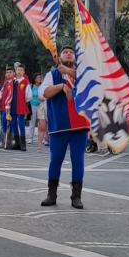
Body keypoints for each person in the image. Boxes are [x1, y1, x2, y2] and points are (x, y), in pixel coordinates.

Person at [39, 46, 90, 209]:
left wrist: (68, 70)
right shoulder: (52, 74)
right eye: (65, 52)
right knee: (55, 161)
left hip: (80, 125)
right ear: (60, 56)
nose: (68, 53)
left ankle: (76, 196)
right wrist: (61, 87)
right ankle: (51, 194)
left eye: (71, 52)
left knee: (78, 161)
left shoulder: (82, 73)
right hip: (59, 125)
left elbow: (90, 82)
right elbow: (44, 93)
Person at [8, 64, 31, 151]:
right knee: (13, 124)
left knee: (21, 124)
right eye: (18, 70)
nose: (19, 72)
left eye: (21, 70)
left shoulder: (25, 82)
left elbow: (29, 96)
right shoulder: (11, 81)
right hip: (12, 105)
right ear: (15, 71)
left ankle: (23, 144)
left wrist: (22, 101)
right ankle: (17, 143)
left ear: (24, 72)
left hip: (21, 106)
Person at [28, 74, 42, 144]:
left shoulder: (42, 86)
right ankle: (30, 138)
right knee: (32, 122)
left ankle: (42, 139)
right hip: (32, 106)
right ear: (35, 79)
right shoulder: (31, 86)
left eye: (40, 77)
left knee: (41, 123)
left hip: (40, 106)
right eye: (38, 78)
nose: (39, 79)